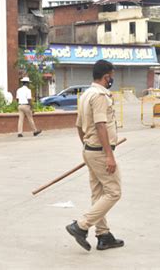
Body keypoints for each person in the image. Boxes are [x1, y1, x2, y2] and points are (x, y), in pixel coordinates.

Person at [66, 60, 124, 251]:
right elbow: (100, 125)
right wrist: (108, 155)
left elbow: (78, 125)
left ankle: (103, 235)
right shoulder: (99, 96)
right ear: (107, 76)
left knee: (98, 193)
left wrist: (86, 146)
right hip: (99, 152)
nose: (112, 80)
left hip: (90, 150)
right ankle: (81, 225)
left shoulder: (85, 94)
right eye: (111, 76)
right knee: (114, 192)